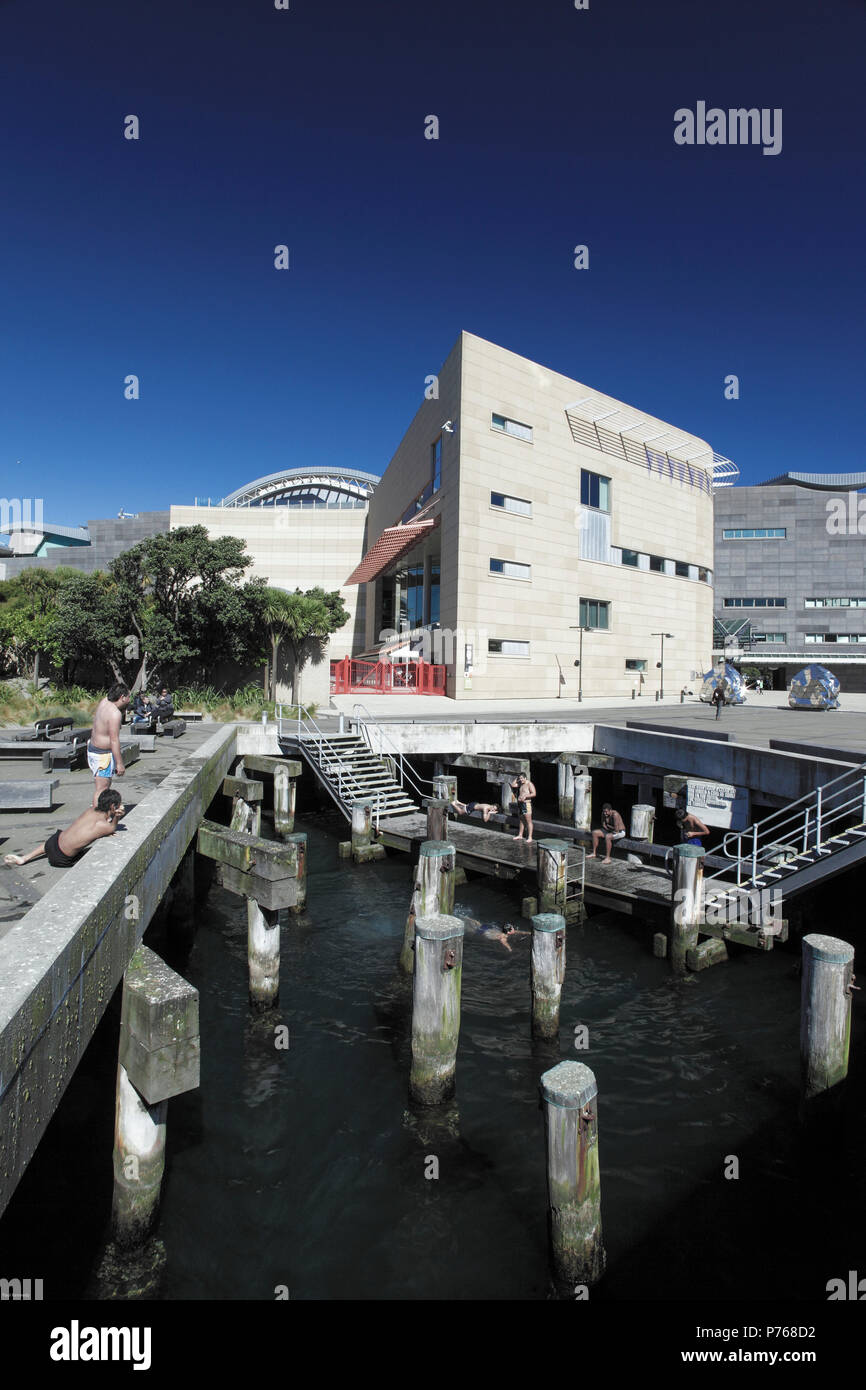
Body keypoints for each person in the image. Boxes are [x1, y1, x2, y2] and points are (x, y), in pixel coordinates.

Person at [4, 790, 126, 869]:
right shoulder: (102, 825)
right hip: (61, 859)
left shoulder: (90, 811)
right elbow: (111, 828)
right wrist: (117, 816)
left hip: (52, 843)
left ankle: (24, 858)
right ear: (112, 806)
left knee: (60, 837)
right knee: (97, 851)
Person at [88, 683, 130, 808]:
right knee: (102, 788)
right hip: (102, 756)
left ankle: (100, 813)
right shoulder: (114, 714)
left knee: (103, 785)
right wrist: (119, 763)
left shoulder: (105, 701)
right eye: (129, 697)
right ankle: (96, 818)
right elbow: (114, 740)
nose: (130, 700)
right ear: (122, 697)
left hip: (93, 749)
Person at [462, 918, 528, 953]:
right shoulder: (503, 937)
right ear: (508, 932)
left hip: (487, 928)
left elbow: (518, 931)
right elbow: (505, 943)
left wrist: (527, 933)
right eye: (512, 929)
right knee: (471, 929)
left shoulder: (503, 931)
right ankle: (464, 923)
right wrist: (510, 949)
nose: (514, 929)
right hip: (483, 932)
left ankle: (467, 918)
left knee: (478, 924)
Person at [510, 773, 537, 842]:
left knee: (528, 821)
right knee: (521, 820)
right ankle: (520, 835)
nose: (521, 780)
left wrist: (525, 796)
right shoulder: (520, 784)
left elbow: (534, 793)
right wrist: (517, 778)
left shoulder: (529, 784)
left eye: (522, 778)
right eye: (520, 778)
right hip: (520, 804)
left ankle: (530, 837)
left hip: (526, 804)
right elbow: (513, 785)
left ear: (525, 778)